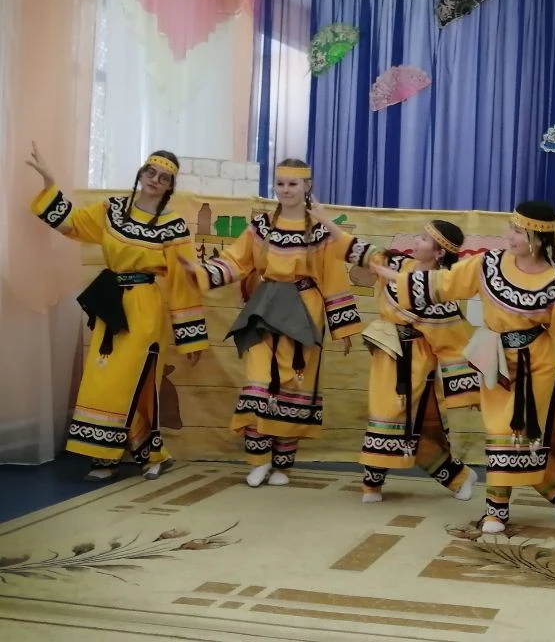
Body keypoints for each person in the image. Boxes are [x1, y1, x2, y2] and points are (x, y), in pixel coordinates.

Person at [373, 201, 555, 534]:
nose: (509, 235)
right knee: (503, 434)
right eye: (511, 228)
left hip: (535, 367)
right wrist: (396, 277)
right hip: (496, 362)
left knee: (516, 435)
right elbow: (445, 282)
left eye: (517, 231)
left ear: (538, 238)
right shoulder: (488, 263)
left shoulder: (554, 285)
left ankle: (503, 509)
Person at [27, 144, 207, 481]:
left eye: (164, 177)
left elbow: (184, 282)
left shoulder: (173, 226)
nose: (155, 180)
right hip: (111, 306)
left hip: (144, 309)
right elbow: (72, 223)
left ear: (170, 186)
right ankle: (114, 457)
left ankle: (133, 457)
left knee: (135, 382)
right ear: (141, 173)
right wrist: (50, 183)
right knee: (103, 380)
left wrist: (191, 338)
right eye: (151, 172)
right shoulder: (112, 211)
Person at [181, 159, 362, 487]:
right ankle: (259, 460)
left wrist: (343, 328)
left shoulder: (319, 231)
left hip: (304, 312)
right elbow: (235, 260)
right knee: (258, 381)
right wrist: (201, 272)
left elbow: (334, 278)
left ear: (306, 186)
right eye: (280, 183)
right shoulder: (261, 226)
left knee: (293, 386)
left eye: (293, 184)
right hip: (264, 309)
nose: (285, 190)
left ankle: (282, 465)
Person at [307, 205, 481, 503]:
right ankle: (378, 484)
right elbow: (356, 248)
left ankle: (450, 477)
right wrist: (323, 218)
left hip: (416, 361)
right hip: (387, 352)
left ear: (439, 252)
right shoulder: (397, 263)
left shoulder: (441, 289)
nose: (416, 241)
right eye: (419, 235)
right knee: (385, 416)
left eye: (424, 239)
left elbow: (453, 343)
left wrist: (469, 391)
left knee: (403, 419)